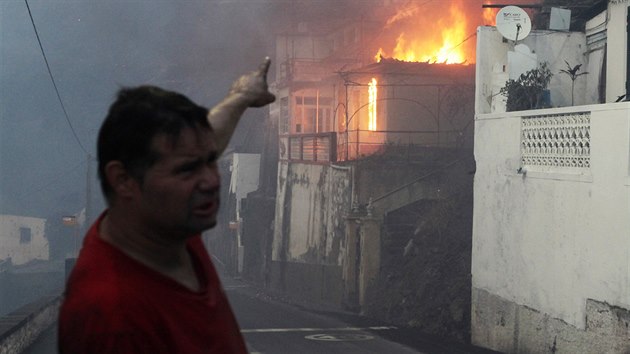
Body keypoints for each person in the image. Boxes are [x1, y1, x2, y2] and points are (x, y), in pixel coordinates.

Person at [58, 58, 275, 353]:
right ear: (123, 180)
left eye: (211, 161)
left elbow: (206, 140)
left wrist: (241, 96)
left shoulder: (165, 221)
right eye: (188, 170)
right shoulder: (114, 319)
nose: (210, 181)